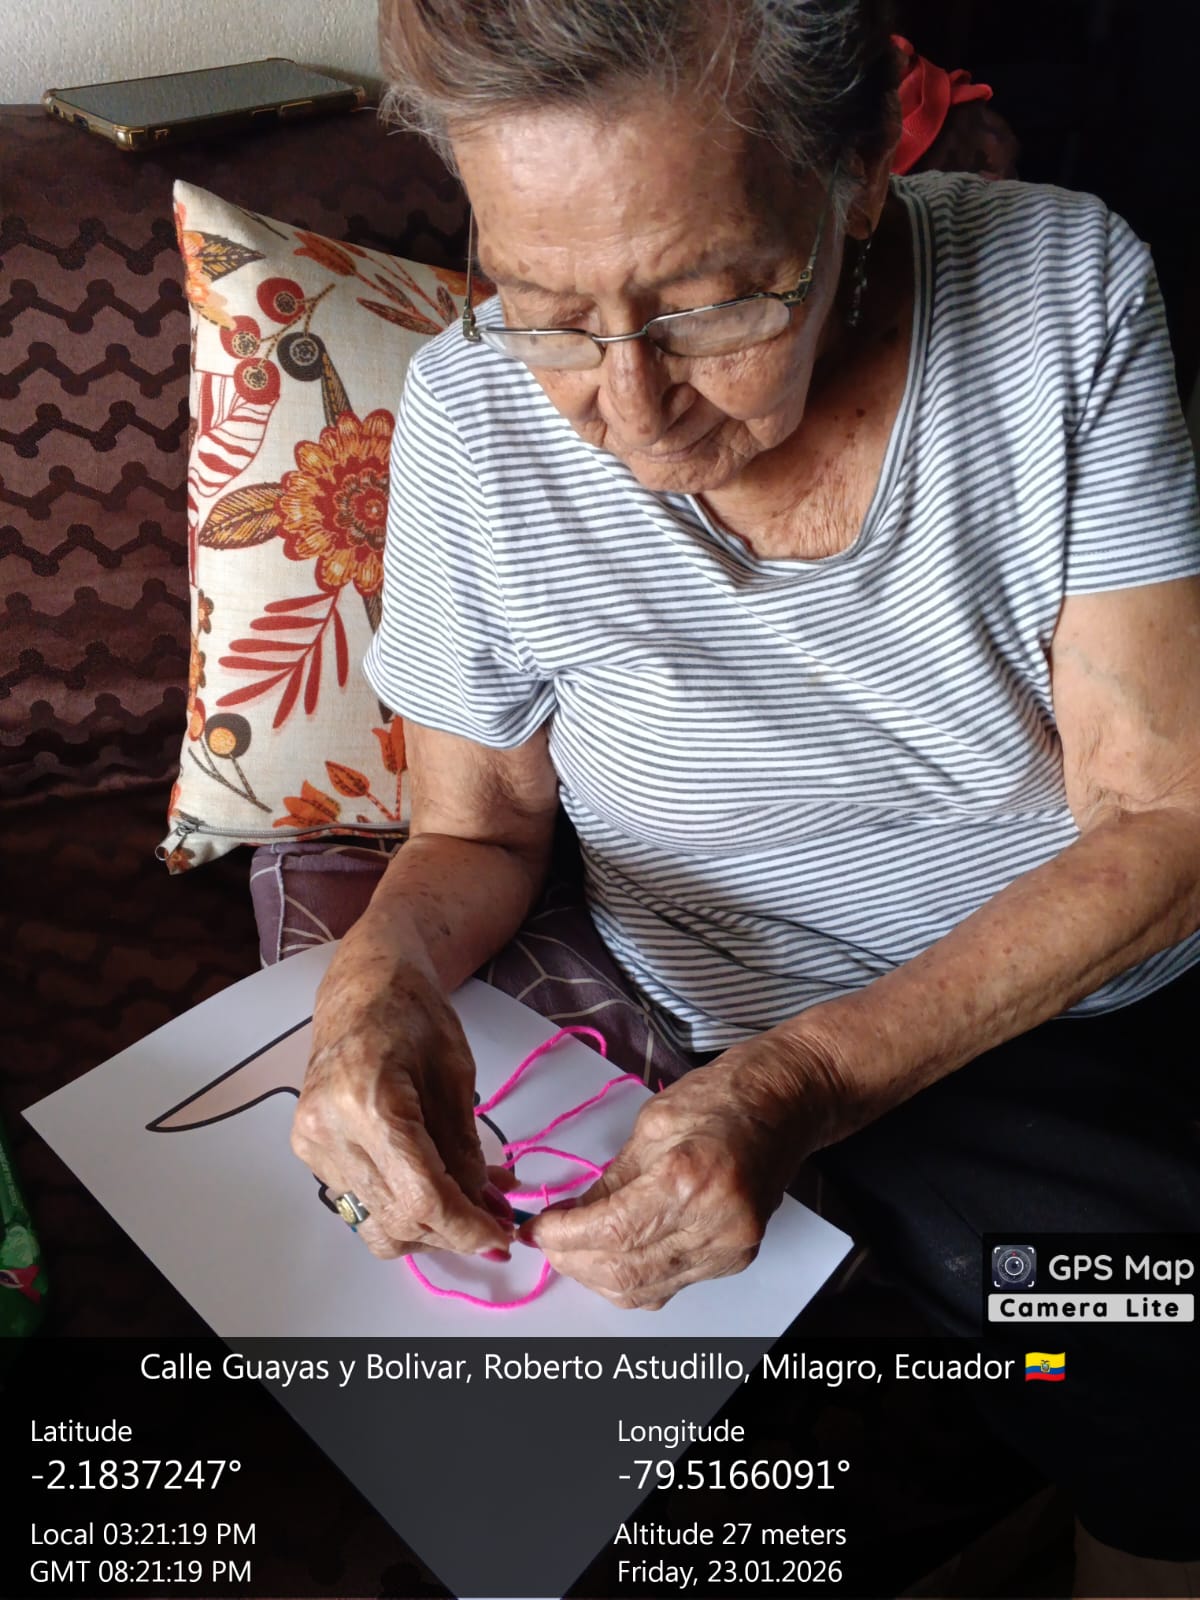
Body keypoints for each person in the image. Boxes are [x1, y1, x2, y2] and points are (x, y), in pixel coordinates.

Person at [291, 1, 1200, 1590]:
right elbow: (478, 826)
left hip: (1072, 996)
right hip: (722, 1012)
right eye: (545, 311)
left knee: (1133, 1336)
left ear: (861, 173)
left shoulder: (1065, 293)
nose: (631, 410)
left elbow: (1167, 819)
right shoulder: (470, 419)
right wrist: (375, 985)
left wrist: (800, 1087)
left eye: (713, 306)